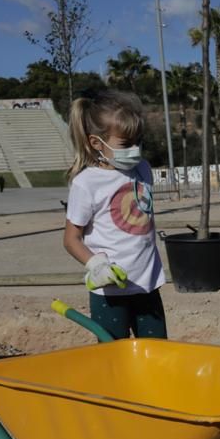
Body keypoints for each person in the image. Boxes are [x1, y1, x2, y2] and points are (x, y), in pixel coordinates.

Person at [62, 89, 167, 340]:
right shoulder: (86, 183)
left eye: (138, 141)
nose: (135, 149)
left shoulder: (143, 169)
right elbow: (71, 238)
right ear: (97, 143)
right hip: (110, 292)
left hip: (147, 285)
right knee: (113, 358)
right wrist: (96, 265)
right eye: (126, 144)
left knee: (156, 354)